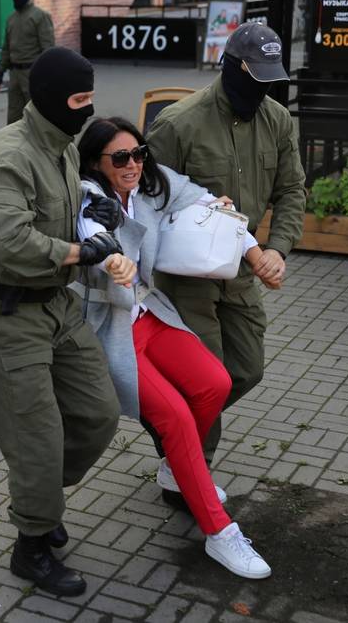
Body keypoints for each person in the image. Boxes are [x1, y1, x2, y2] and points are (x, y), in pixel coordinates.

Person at [73, 117, 272, 579]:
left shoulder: (152, 184)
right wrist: (111, 255)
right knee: (176, 418)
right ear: (96, 163)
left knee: (215, 383)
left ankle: (174, 469)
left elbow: (202, 199)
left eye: (138, 153)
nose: (133, 165)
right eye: (120, 158)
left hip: (150, 313)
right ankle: (220, 534)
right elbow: (92, 235)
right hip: (110, 327)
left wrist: (248, 243)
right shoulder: (89, 196)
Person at [0, 47, 129, 597]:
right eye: (80, 101)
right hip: (11, 312)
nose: (87, 112)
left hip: (57, 304)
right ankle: (31, 546)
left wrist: (93, 213)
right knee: (37, 435)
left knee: (99, 413)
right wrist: (80, 253)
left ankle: (40, 498)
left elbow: (60, 210)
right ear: (54, 98)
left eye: (91, 100)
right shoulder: (7, 156)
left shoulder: (59, 146)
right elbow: (9, 240)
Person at [147, 23, 306, 502]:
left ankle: (170, 427)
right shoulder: (178, 123)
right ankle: (188, 475)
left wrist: (277, 247)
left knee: (248, 368)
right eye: (256, 78)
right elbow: (147, 200)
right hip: (186, 276)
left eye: (271, 80)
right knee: (210, 375)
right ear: (234, 67)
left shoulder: (278, 120)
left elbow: (292, 188)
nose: (262, 90)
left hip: (240, 272)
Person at [0, 0, 55, 124]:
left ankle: (39, 143)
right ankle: (13, 143)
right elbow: (6, 49)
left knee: (36, 115)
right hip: (15, 74)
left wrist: (47, 75)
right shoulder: (11, 19)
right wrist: (0, 72)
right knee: (14, 116)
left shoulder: (39, 16)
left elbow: (48, 49)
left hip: (32, 73)